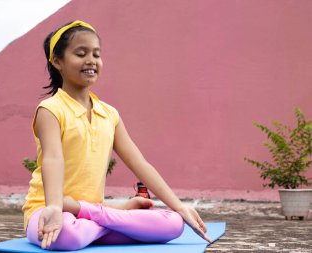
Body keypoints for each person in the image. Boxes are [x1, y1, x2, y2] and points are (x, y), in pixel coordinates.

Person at [22, 20, 212, 250]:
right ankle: (111, 219)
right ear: (57, 61)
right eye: (81, 54)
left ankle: (93, 216)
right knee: (66, 236)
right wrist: (54, 207)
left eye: (96, 54)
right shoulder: (50, 110)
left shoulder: (109, 114)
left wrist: (180, 207)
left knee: (172, 224)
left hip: (87, 215)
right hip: (46, 211)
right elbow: (53, 158)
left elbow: (139, 163)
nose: (91, 60)